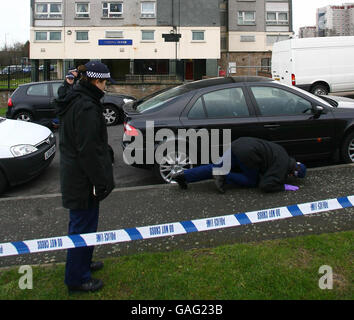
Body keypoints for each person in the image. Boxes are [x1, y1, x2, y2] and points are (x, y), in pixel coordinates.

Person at [56, 61, 116, 293]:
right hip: (82, 180)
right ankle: (77, 278)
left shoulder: (76, 98)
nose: (105, 88)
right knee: (82, 226)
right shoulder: (87, 107)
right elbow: (88, 150)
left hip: (77, 176)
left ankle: (84, 263)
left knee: (85, 225)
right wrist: (100, 182)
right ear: (95, 81)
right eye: (104, 83)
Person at [172, 137, 307, 194]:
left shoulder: (283, 153)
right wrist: (283, 186)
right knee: (252, 181)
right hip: (248, 154)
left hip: (239, 144)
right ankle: (225, 176)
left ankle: (183, 176)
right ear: (292, 172)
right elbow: (266, 185)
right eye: (291, 176)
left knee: (217, 166)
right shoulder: (281, 167)